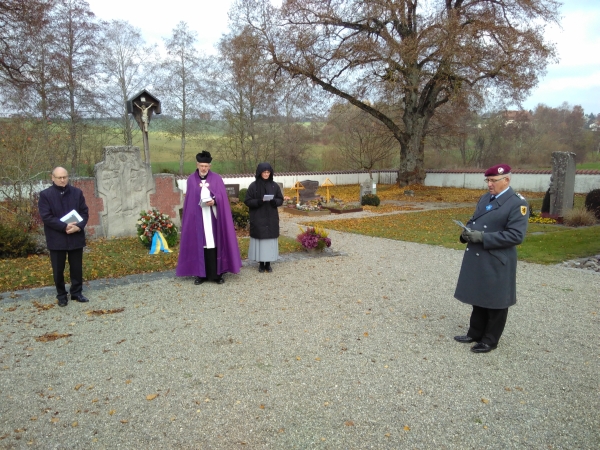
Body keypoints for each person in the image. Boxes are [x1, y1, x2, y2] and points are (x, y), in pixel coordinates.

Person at [453, 164, 529, 353]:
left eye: (493, 181)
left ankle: (490, 339)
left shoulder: (517, 203)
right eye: (487, 180)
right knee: (479, 295)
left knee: (496, 301)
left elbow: (515, 236)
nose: (489, 184)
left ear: (507, 180)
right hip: (480, 255)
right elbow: (476, 220)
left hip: (498, 258)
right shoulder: (486, 198)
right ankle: (475, 332)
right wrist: (467, 233)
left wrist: (483, 238)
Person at [176, 151, 241, 284]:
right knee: (200, 244)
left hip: (213, 218)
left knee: (214, 244)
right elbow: (189, 201)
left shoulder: (217, 179)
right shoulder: (191, 180)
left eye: (206, 166)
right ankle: (201, 275)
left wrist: (215, 200)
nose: (204, 168)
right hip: (197, 219)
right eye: (201, 165)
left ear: (210, 166)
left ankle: (217, 275)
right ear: (197, 165)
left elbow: (222, 197)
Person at [38, 167, 90, 307]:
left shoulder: (77, 193)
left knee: (76, 267)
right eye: (59, 177)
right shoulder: (45, 195)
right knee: (58, 269)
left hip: (75, 236)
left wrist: (78, 226)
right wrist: (64, 226)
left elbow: (84, 212)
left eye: (65, 177)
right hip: (56, 238)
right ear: (52, 178)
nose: (62, 180)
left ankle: (76, 292)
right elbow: (46, 216)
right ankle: (61, 295)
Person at [244, 163, 284, 273]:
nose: (266, 174)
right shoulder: (253, 186)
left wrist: (274, 201)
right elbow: (247, 201)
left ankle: (268, 264)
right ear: (260, 173)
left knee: (270, 241)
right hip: (258, 216)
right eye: (264, 172)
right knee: (261, 241)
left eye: (268, 172)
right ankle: (261, 264)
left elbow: (280, 199)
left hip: (271, 217)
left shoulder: (274, 186)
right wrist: (259, 201)